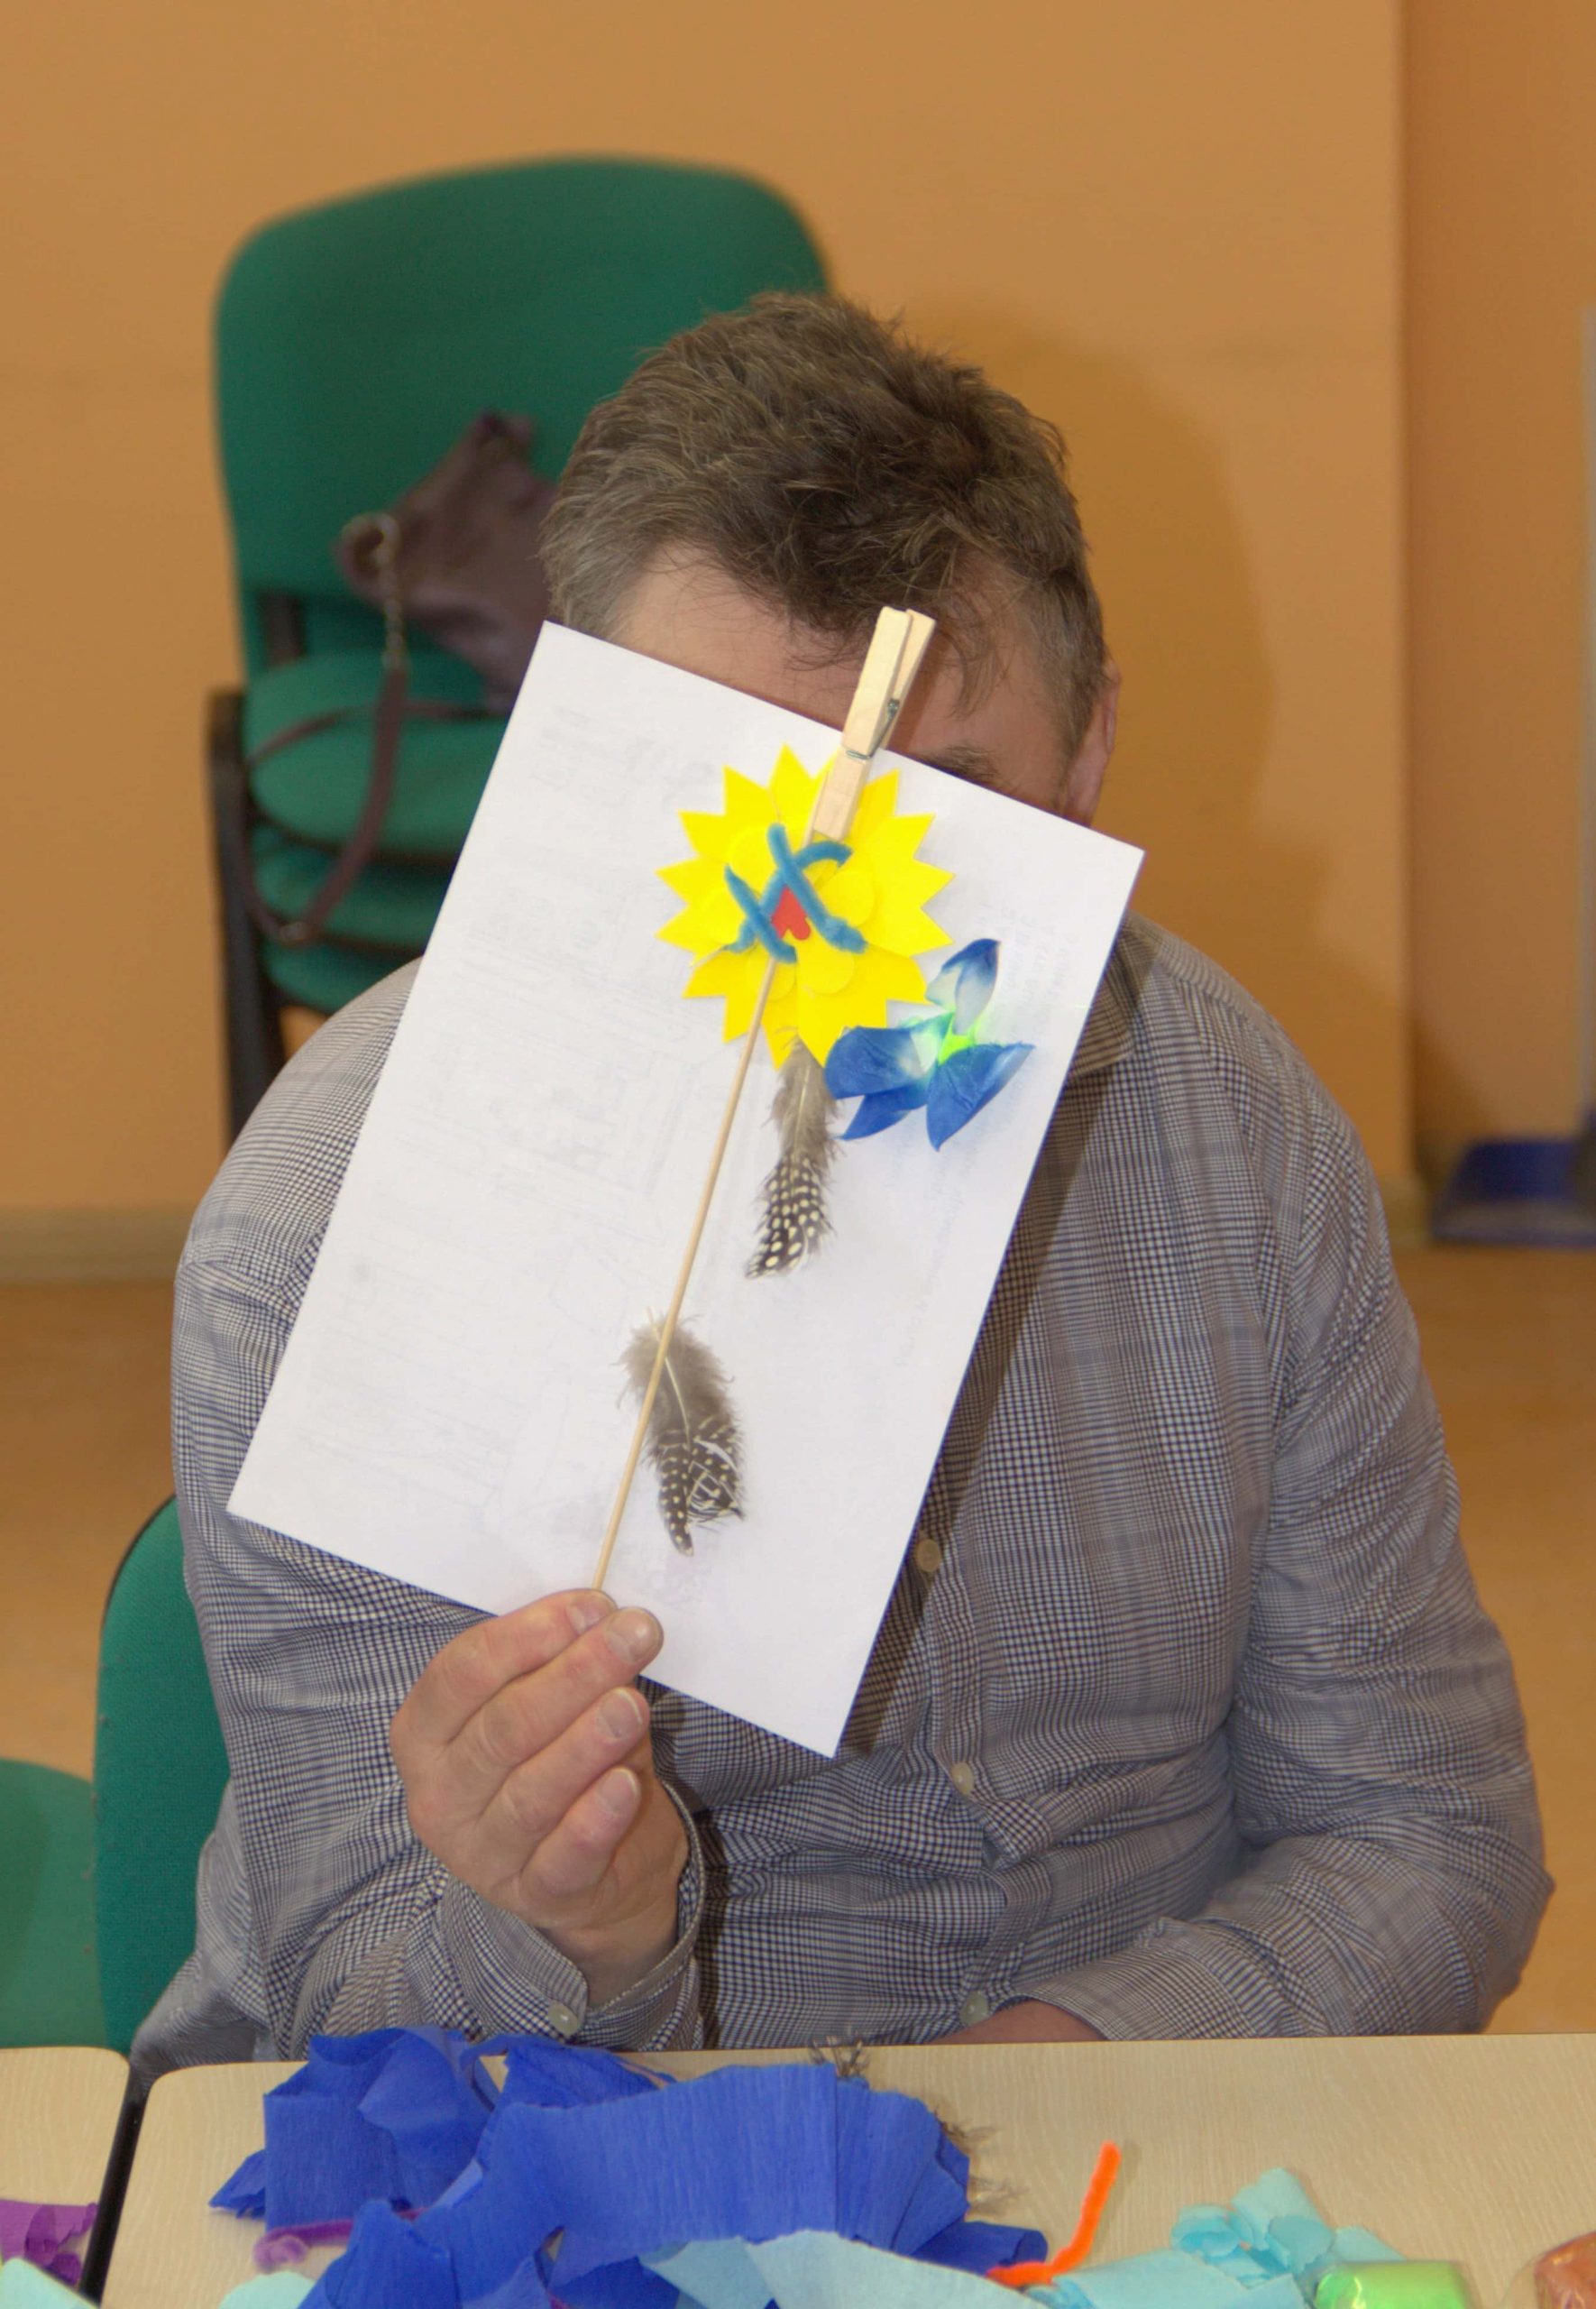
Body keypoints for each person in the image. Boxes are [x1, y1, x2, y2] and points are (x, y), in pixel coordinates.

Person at [141, 296, 1546, 2074]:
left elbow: (1425, 1827)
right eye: (745, 804)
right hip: (597, 2119)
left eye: (944, 810)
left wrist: (1047, 2081)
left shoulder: (1230, 1125)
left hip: (1146, 2111)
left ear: (1089, 758)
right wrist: (570, 1924)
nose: (838, 933)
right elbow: (352, 2009)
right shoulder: (319, 1236)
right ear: (584, 762)